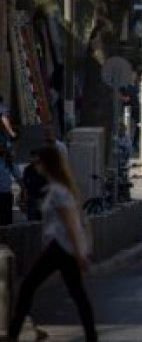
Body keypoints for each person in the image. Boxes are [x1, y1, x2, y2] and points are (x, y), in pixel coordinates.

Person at [8, 146, 97, 342]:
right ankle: (92, 336)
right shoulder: (58, 188)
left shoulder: (59, 191)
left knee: (28, 286)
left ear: (48, 164)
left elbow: (71, 224)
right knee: (77, 294)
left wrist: (80, 254)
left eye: (39, 162)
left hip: (61, 248)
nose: (36, 165)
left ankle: (13, 333)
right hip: (62, 248)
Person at [20, 150, 48, 221]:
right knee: (32, 219)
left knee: (43, 218)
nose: (33, 159)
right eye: (32, 157)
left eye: (34, 157)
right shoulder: (28, 169)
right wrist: (22, 199)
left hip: (42, 198)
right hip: (32, 198)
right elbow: (24, 184)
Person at [0, 144, 20, 226]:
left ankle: (7, 237)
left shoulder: (9, 163)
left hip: (7, 194)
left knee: (7, 219)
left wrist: (23, 189)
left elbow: (18, 176)